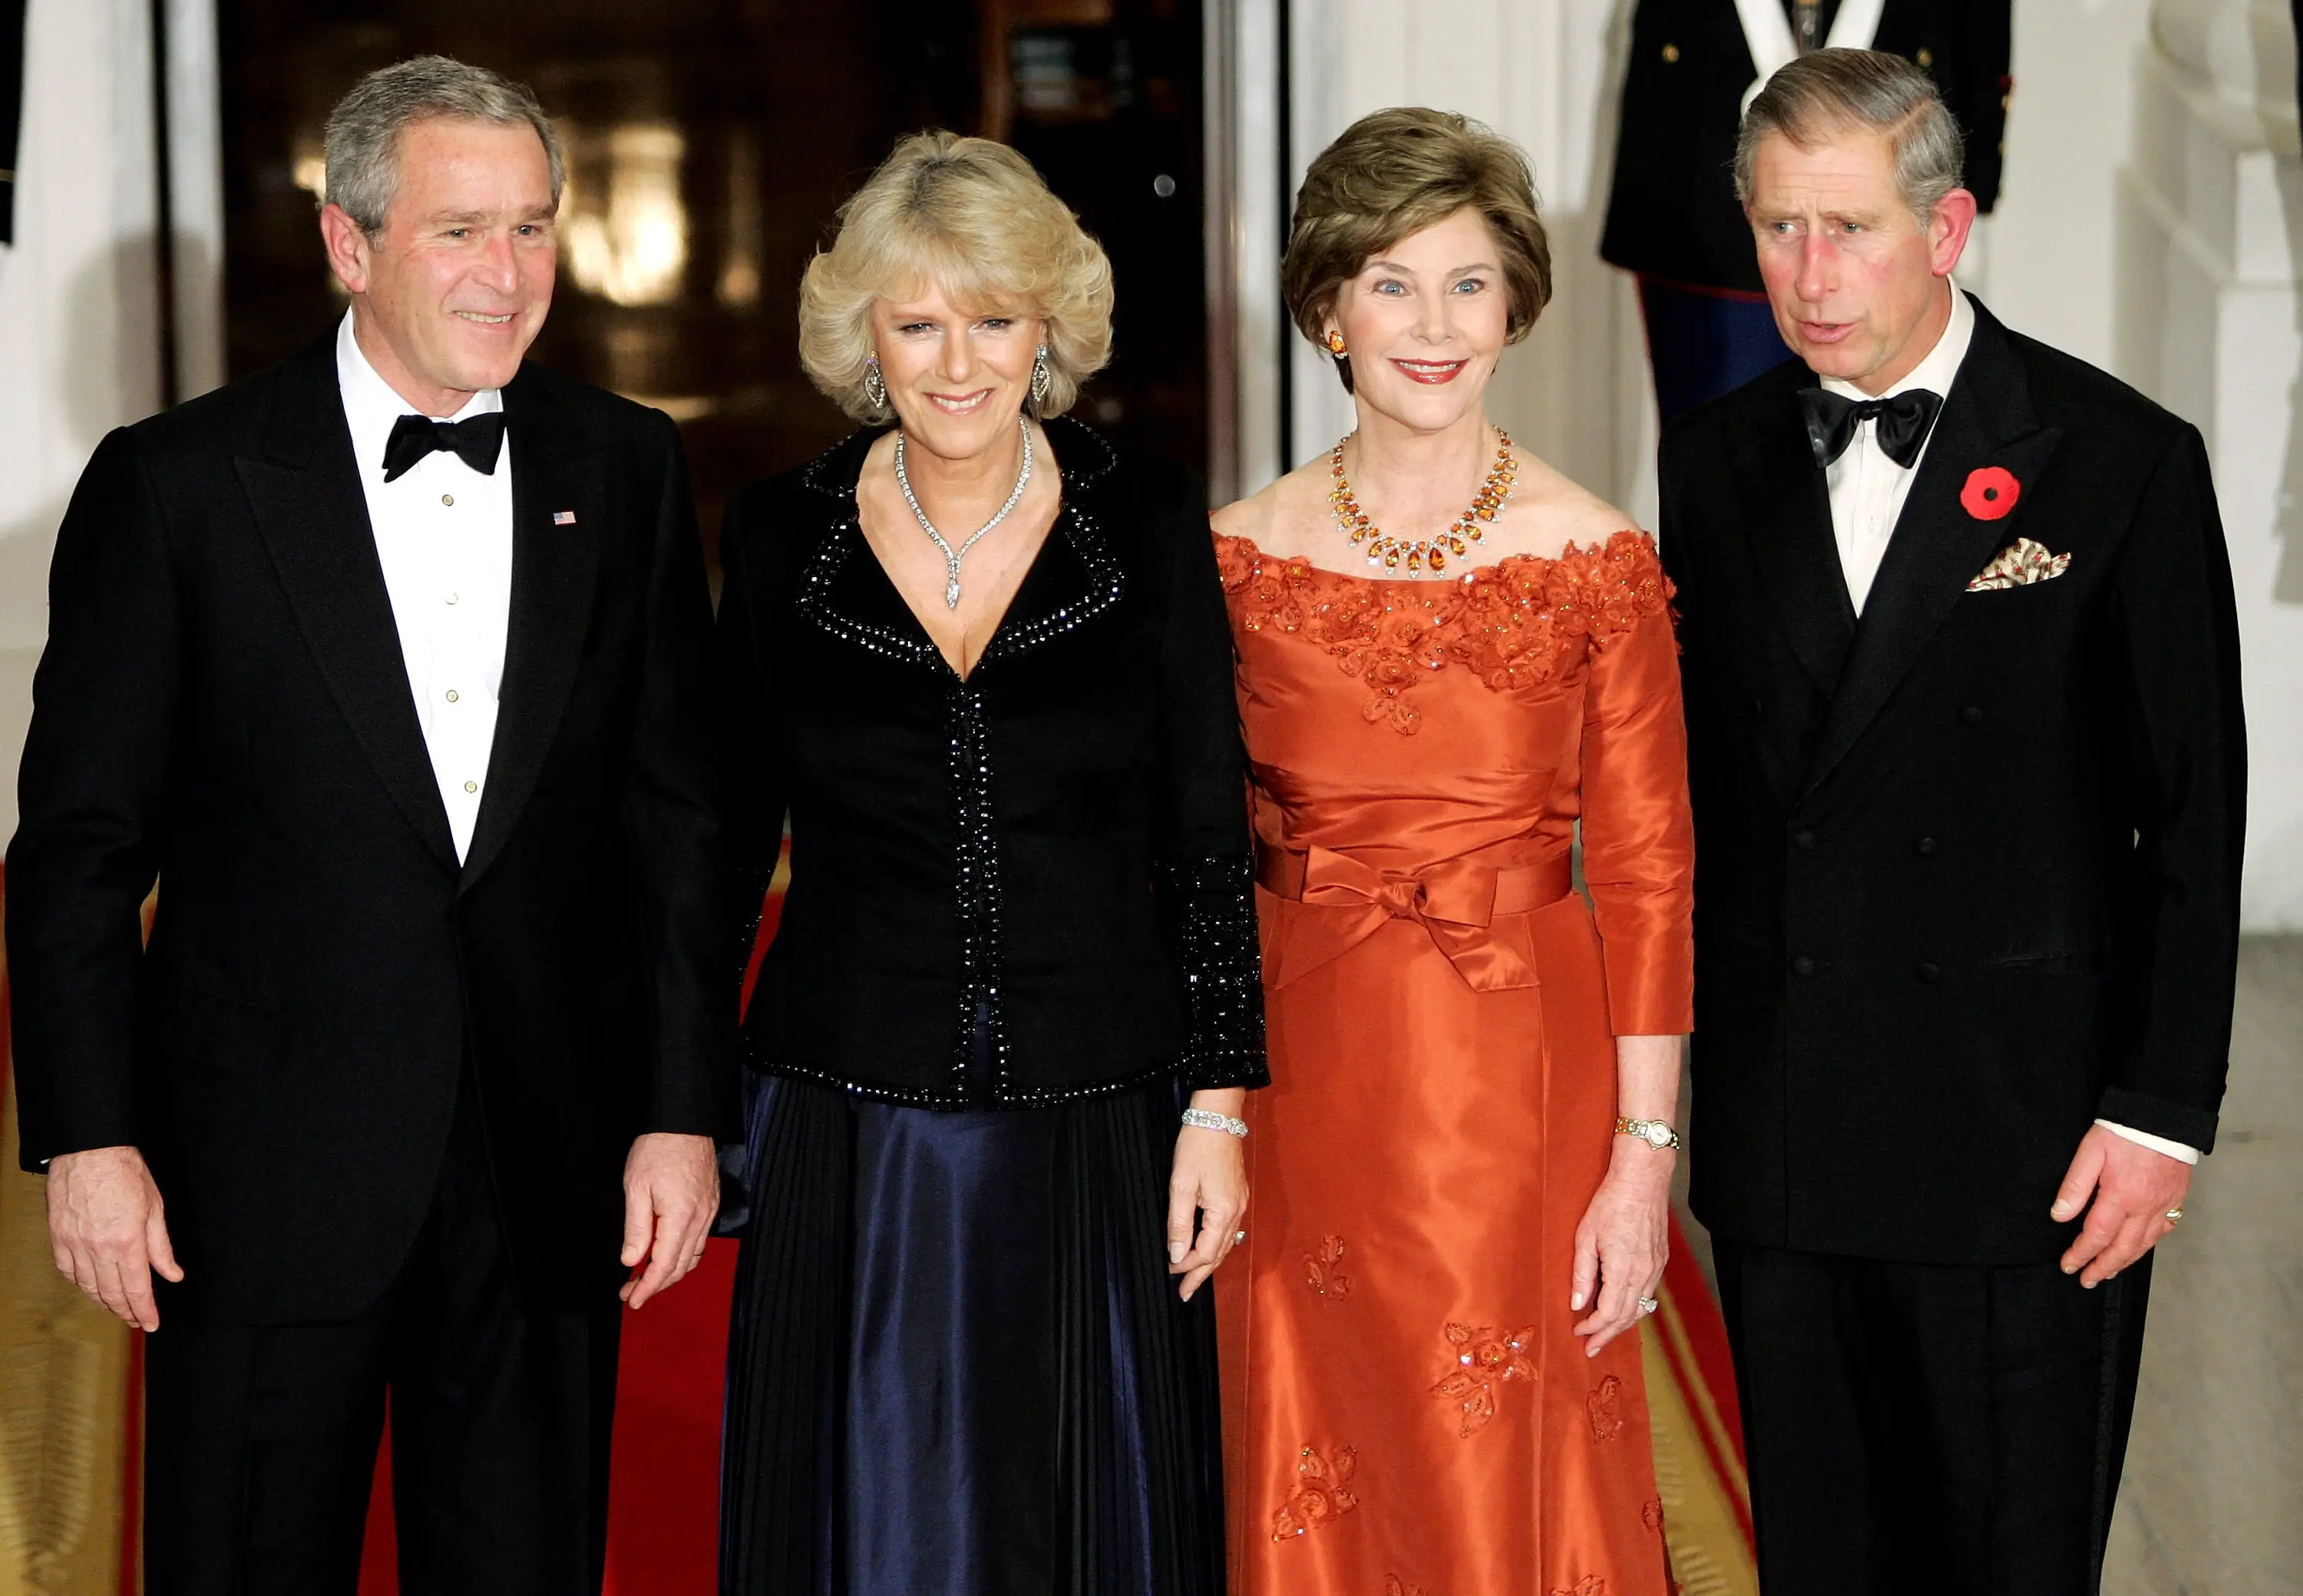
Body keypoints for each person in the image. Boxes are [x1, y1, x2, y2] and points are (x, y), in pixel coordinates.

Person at [5, 56, 732, 1594]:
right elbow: (78, 847)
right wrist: (87, 1133)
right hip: (256, 1181)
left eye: (533, 228)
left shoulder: (629, 463)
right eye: (461, 230)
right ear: (350, 245)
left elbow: (677, 823)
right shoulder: (180, 486)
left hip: (545, 1174)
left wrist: (680, 1111)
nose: (508, 272)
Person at [1660, 49, 2245, 1594]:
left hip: (2026, 1145)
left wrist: (2160, 1115)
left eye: (1849, 226)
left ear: (1950, 226)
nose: (1810, 273)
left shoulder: (2119, 462)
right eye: (1779, 227)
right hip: (1790, 1140)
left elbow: (2194, 824)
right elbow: (1700, 808)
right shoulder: (1712, 467)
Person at [713, 131, 1265, 1596]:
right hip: (848, 1108)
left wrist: (1219, 1105)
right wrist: (679, 1105)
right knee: (861, 1508)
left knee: (1084, 1510)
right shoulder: (778, 535)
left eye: (996, 319)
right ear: (864, 336)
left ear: (1051, 330)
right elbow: (711, 852)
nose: (959, 362)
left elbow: (1208, 825)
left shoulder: (1148, 519)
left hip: (1100, 1104)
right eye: (918, 322)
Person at [1211, 107, 1693, 1594]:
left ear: (1518, 303)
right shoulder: (1234, 558)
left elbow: (1656, 874)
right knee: (1311, 1457)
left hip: (1523, 1093)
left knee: (1507, 1469)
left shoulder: (1597, 558)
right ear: (1327, 310)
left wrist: (1643, 1160)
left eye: (1469, 283)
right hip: (1303, 1082)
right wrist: (1212, 1114)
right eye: (1392, 283)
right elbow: (1192, 867)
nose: (1434, 325)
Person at [1600, 0, 2011, 422]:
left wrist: (1975, 173)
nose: (1812, 282)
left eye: (1849, 227)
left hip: (1901, 146)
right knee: (1724, 438)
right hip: (1705, 205)